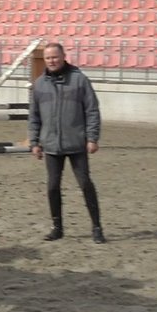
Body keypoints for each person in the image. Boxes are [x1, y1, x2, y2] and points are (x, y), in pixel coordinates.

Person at [27, 42, 106, 243]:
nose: (52, 61)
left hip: (76, 144)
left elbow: (92, 110)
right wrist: (34, 142)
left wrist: (92, 137)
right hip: (51, 145)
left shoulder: (80, 81)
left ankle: (96, 227)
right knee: (52, 187)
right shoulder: (39, 85)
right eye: (48, 58)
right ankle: (57, 227)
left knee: (85, 184)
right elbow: (34, 116)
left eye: (55, 57)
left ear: (63, 57)